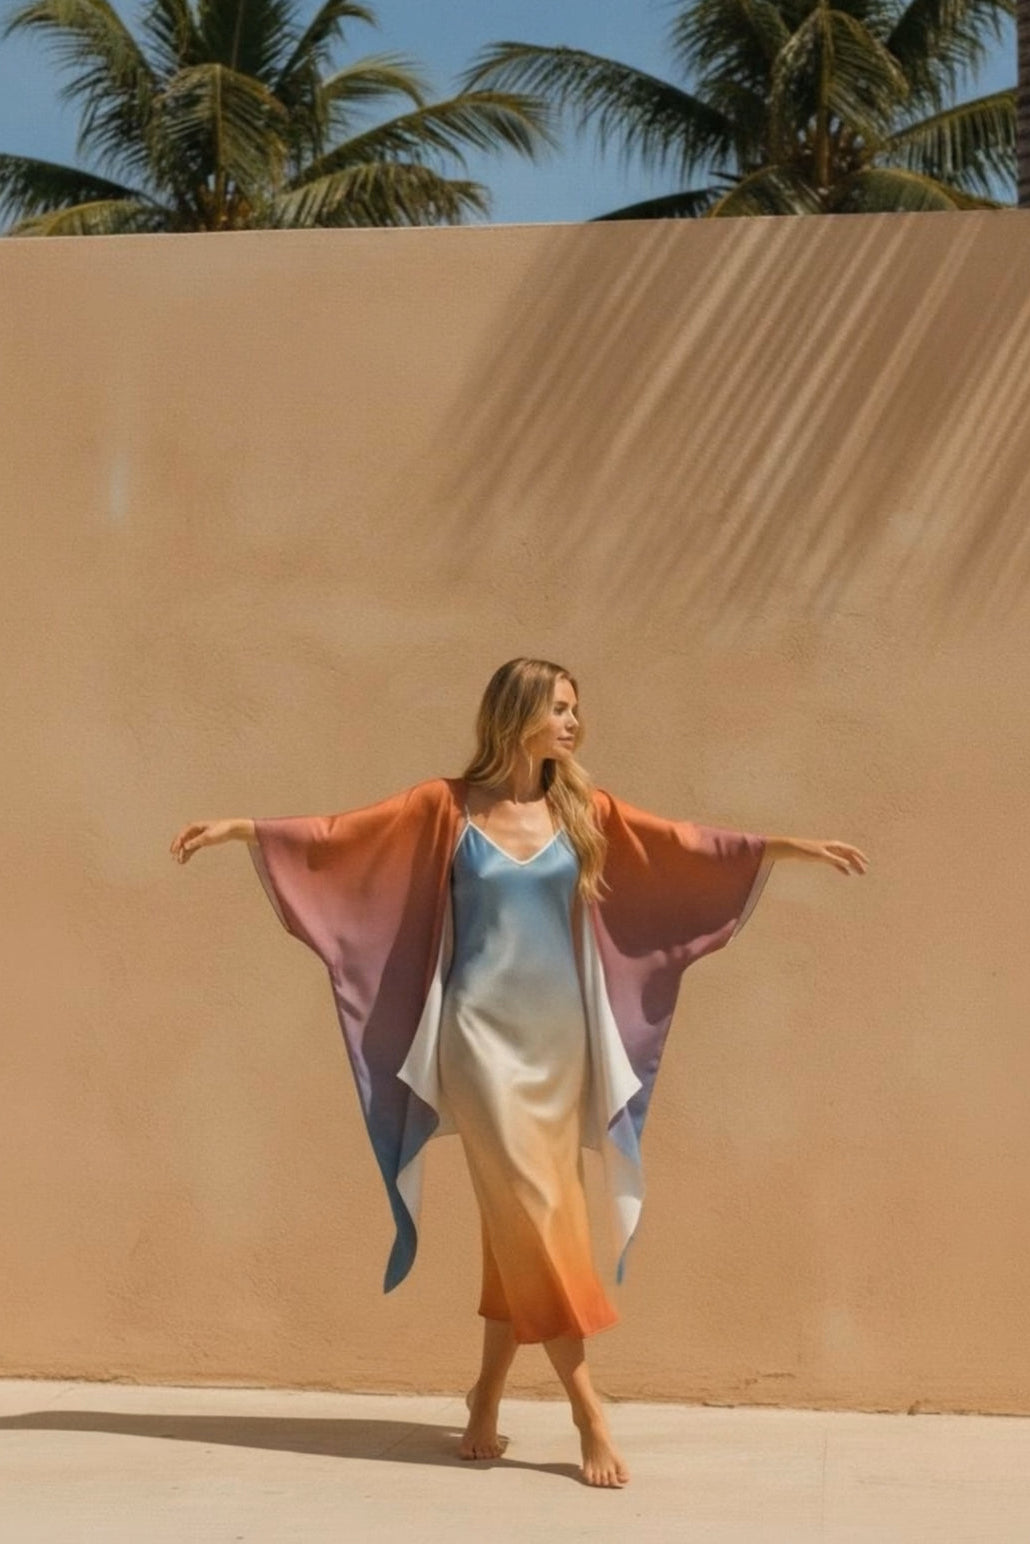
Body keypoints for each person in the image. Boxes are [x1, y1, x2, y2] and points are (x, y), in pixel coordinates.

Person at [169, 657, 867, 1487]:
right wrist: (247, 830)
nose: (573, 723)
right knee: (540, 1219)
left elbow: (684, 845)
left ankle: (485, 1401)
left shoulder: (584, 811)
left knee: (519, 1231)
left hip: (559, 1044)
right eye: (559, 709)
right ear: (518, 714)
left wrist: (783, 848)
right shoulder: (446, 807)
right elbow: (340, 836)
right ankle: (588, 1413)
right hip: (479, 1043)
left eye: (577, 710)